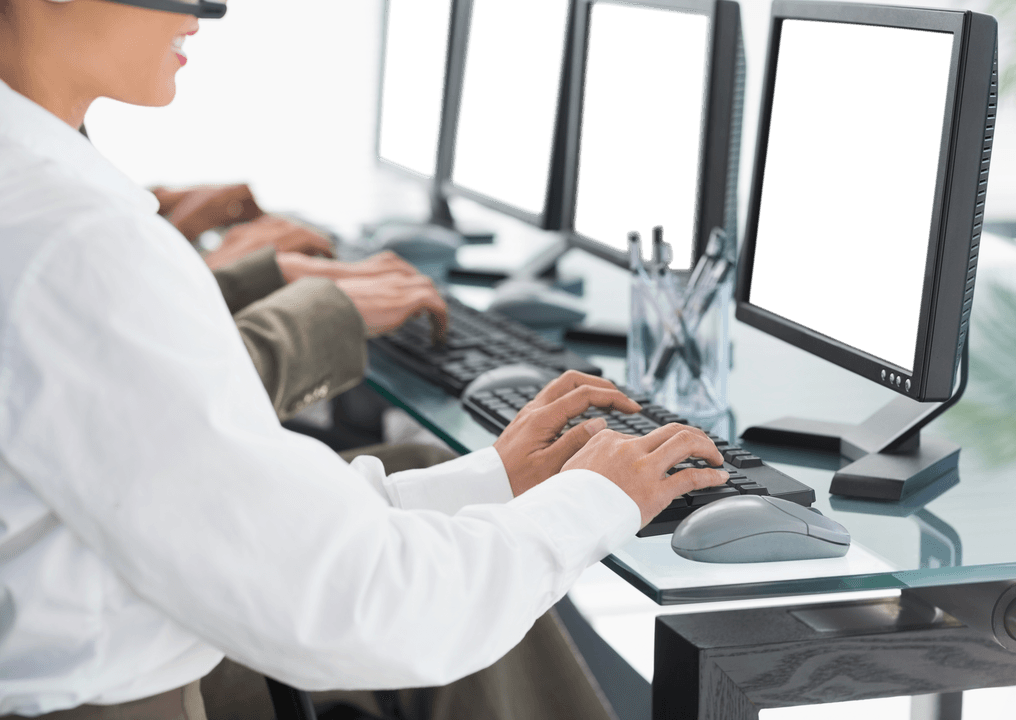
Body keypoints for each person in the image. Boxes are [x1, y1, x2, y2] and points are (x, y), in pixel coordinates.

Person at [0, 1, 728, 718]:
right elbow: (361, 602)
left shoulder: (44, 202)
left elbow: (244, 519)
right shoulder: (73, 240)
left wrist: (493, 479)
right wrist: (600, 499)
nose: (211, 8)